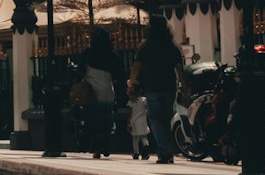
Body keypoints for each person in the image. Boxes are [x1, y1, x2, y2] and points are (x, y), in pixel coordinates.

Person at [130, 15, 185, 164]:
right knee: (166, 120)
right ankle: (167, 150)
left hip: (152, 87)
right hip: (169, 87)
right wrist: (184, 86)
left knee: (155, 119)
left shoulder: (146, 45)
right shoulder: (172, 45)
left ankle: (164, 151)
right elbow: (180, 68)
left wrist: (131, 83)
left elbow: (136, 66)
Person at [77, 27, 125, 158]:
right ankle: (106, 144)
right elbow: (119, 75)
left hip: (92, 91)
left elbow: (80, 69)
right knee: (107, 119)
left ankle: (96, 147)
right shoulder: (113, 55)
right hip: (108, 90)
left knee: (93, 120)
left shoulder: (88, 53)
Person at [127, 87, 151, 160]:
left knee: (135, 138)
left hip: (134, 122)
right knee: (144, 137)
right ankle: (146, 148)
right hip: (143, 121)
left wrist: (128, 123)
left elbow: (129, 113)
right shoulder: (144, 100)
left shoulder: (130, 103)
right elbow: (147, 108)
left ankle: (136, 153)